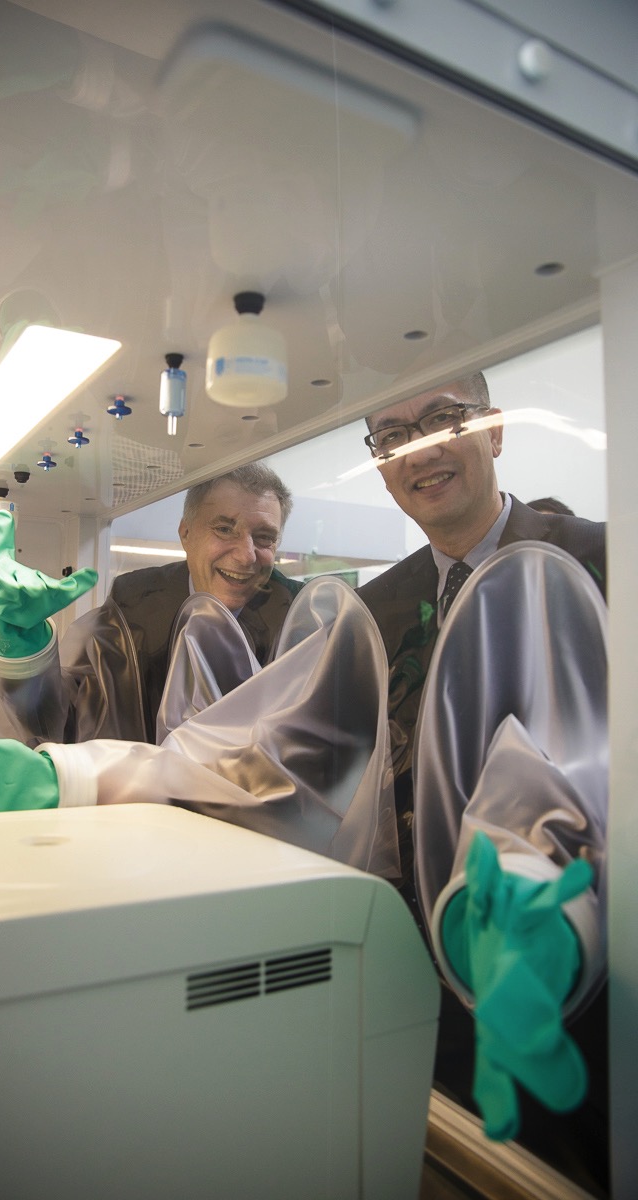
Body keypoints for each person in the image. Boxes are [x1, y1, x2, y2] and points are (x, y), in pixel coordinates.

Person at [357, 371, 609, 1193]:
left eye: (443, 419)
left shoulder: (608, 561)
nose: (419, 451)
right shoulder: (372, 612)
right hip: (418, 983)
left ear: (495, 429)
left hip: (587, 979)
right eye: (393, 438)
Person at [0, 462, 302, 746]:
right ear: (186, 533)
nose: (246, 555)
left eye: (264, 537)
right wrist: (19, 644)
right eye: (224, 529)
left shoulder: (300, 624)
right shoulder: (131, 614)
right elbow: (55, 725)